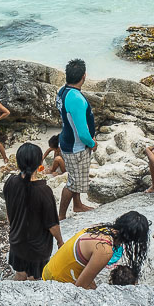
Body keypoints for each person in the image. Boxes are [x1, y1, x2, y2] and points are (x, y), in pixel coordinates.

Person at [41, 211, 150, 289]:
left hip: (49, 270)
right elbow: (80, 287)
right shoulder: (105, 250)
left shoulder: (100, 228)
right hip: (56, 283)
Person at [3, 143, 64, 280]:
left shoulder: (10, 182)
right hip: (37, 248)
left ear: (18, 163)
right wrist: (60, 241)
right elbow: (52, 225)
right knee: (34, 279)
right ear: (40, 163)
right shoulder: (43, 191)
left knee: (20, 275)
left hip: (17, 242)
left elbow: (8, 213)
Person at [56, 58, 96, 219]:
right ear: (84, 76)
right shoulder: (76, 98)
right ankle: (61, 216)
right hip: (76, 146)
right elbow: (83, 133)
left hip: (67, 139)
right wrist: (92, 143)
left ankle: (78, 205)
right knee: (73, 183)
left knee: (76, 177)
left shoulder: (62, 91)